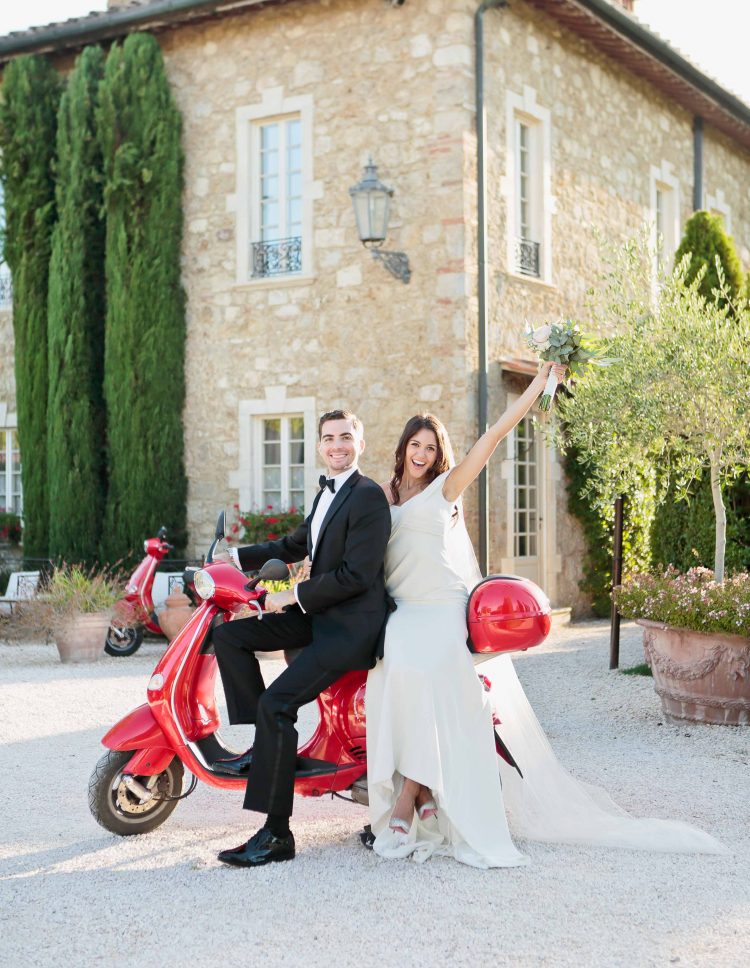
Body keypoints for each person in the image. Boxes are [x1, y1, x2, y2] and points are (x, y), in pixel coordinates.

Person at [366, 363, 727, 867]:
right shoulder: (382, 496)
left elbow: (493, 436)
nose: (423, 455)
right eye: (416, 445)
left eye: (431, 447)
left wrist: (539, 383)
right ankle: (422, 792)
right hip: (404, 610)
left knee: (434, 672)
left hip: (444, 607)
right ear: (403, 447)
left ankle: (410, 793)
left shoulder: (445, 488)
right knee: (393, 668)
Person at [212, 409, 392, 868]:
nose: (338, 446)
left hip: (349, 628)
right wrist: (233, 556)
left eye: (346, 437)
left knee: (279, 704)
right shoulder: (326, 492)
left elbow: (356, 575)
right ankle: (265, 750)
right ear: (318, 445)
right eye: (329, 438)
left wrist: (290, 595)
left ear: (361, 443)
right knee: (232, 637)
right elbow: (296, 545)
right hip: (321, 616)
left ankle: (276, 836)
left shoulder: (368, 497)